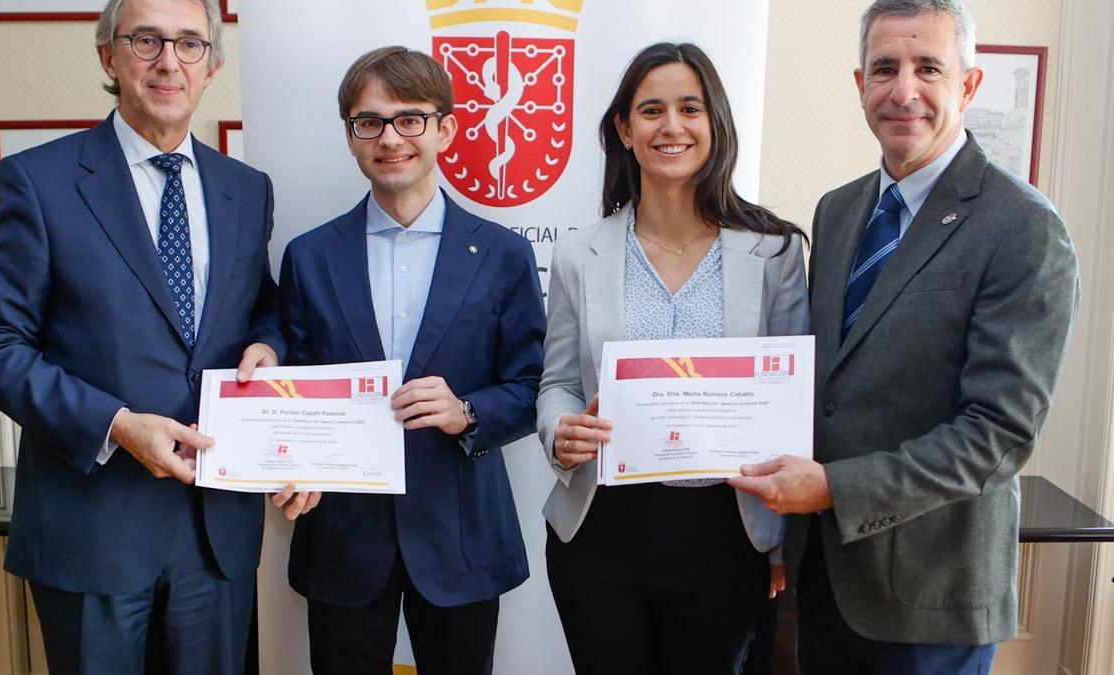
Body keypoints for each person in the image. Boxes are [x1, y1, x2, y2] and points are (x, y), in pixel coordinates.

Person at [726, 1, 1080, 673]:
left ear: (968, 86)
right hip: (826, 574)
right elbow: (820, 381)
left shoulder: (1023, 228)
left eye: (928, 68)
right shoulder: (838, 209)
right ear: (859, 83)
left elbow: (997, 433)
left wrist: (833, 487)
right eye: (884, 68)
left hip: (930, 592)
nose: (903, 90)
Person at [0, 0, 284, 673]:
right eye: (146, 40)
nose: (170, 60)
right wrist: (116, 424)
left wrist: (270, 344)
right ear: (108, 56)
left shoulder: (246, 189)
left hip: (215, 534)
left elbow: (261, 309)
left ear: (212, 66)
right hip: (90, 530)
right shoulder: (40, 181)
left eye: (190, 44)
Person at [536, 42, 809, 675]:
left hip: (727, 531)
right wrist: (562, 429)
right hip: (600, 529)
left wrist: (779, 546)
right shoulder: (581, 253)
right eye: (651, 110)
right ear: (624, 131)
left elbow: (794, 407)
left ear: (715, 124)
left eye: (691, 107)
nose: (672, 126)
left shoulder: (774, 252)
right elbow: (556, 382)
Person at [273, 46, 546, 675]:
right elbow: (293, 385)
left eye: (410, 119)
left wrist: (468, 411)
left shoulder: (502, 255)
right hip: (341, 535)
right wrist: (287, 460)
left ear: (445, 128)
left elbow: (534, 384)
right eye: (369, 122)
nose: (390, 137)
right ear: (350, 136)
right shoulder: (309, 256)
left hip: (460, 536)